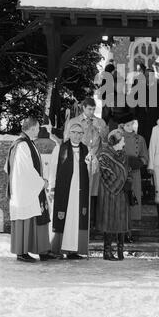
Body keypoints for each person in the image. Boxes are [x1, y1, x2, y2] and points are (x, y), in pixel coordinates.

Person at [5, 117, 53, 262]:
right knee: (26, 218)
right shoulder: (22, 146)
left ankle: (42, 250)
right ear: (32, 128)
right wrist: (41, 182)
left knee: (37, 217)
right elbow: (25, 170)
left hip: (28, 188)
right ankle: (22, 252)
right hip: (24, 189)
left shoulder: (25, 143)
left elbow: (7, 167)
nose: (39, 130)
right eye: (37, 128)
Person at [64, 97, 108, 230]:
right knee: (79, 190)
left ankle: (92, 223)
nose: (92, 112)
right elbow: (66, 141)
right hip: (78, 160)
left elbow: (106, 142)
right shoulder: (74, 121)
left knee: (93, 192)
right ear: (83, 108)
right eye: (89, 109)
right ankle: (78, 221)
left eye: (94, 109)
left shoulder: (100, 122)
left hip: (95, 162)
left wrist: (100, 129)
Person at [48, 123, 90, 259]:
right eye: (74, 132)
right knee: (63, 218)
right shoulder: (60, 148)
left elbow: (91, 170)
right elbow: (53, 169)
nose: (77, 136)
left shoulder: (86, 149)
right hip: (64, 190)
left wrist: (92, 163)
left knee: (76, 219)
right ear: (69, 133)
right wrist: (52, 188)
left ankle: (74, 250)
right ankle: (59, 249)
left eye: (80, 133)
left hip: (79, 191)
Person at [96, 129, 131, 261]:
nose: (124, 143)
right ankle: (107, 252)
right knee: (109, 222)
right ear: (116, 141)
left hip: (122, 195)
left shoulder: (123, 154)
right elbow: (106, 175)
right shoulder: (104, 156)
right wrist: (121, 183)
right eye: (122, 140)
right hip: (109, 194)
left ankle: (120, 251)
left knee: (121, 221)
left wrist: (129, 182)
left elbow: (129, 171)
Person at [121, 113, 148, 223]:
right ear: (122, 125)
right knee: (121, 201)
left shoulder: (140, 139)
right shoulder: (117, 137)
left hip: (135, 173)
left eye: (132, 124)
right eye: (128, 125)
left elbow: (145, 157)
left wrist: (138, 162)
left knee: (133, 199)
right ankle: (120, 230)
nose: (130, 127)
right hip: (120, 173)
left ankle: (130, 229)